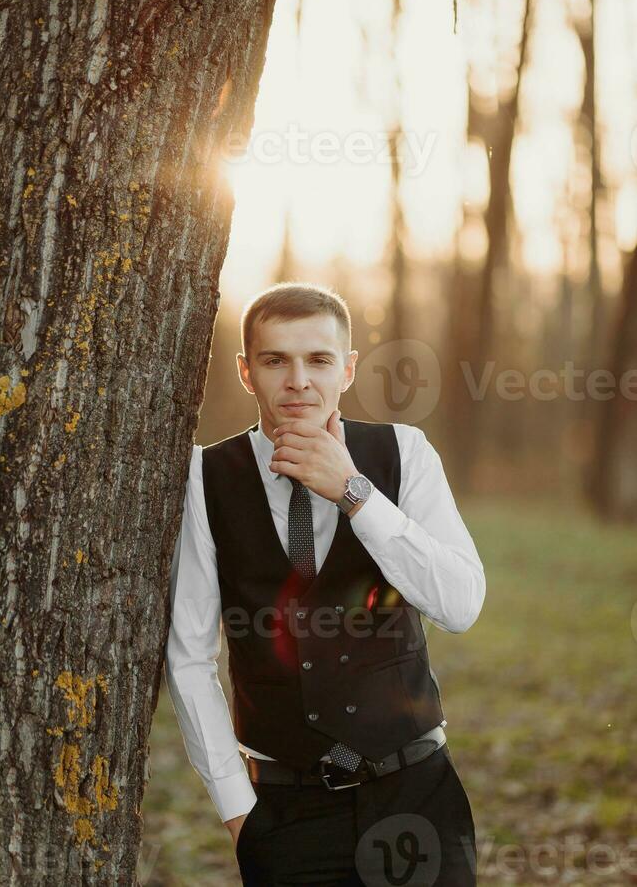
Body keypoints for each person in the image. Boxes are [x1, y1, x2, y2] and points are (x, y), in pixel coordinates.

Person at [165, 281, 485, 886]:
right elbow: (189, 657)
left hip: (414, 797)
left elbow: (461, 605)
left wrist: (355, 493)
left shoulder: (403, 454)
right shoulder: (206, 478)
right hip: (285, 816)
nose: (298, 380)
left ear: (347, 369)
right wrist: (239, 810)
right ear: (245, 371)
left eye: (318, 359)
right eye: (274, 360)